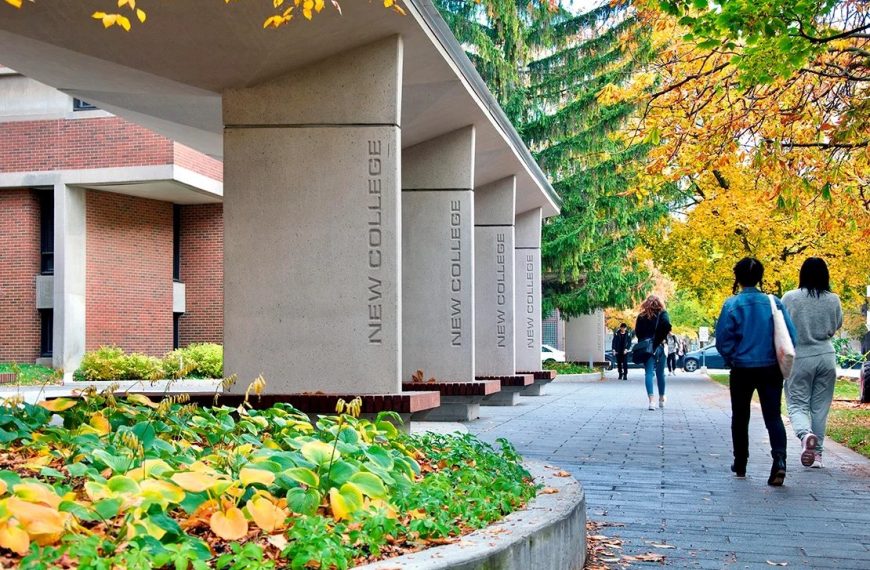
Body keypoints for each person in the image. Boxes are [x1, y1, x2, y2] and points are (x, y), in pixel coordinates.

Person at [715, 257, 797, 486]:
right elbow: (790, 336)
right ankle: (779, 459)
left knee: (740, 416)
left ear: (738, 278)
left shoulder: (732, 305)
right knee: (773, 415)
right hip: (770, 368)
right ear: (760, 277)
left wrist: (731, 356)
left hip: (742, 368)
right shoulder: (774, 303)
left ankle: (740, 462)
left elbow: (723, 339)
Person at [782, 258, 843, 469]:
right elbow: (837, 325)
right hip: (826, 356)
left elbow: (781, 326)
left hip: (800, 357)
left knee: (797, 403)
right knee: (820, 408)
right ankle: (817, 456)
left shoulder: (790, 297)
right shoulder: (834, 300)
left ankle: (805, 434)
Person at [634, 295, 672, 410]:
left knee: (649, 373)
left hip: (647, 348)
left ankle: (651, 401)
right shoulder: (663, 314)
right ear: (659, 303)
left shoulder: (641, 316)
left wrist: (646, 341)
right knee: (661, 373)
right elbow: (667, 326)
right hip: (659, 346)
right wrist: (659, 339)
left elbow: (638, 333)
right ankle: (661, 399)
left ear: (646, 304)